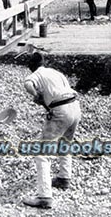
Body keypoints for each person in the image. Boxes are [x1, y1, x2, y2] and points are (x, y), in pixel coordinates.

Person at [23, 53, 81, 209]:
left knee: (42, 154)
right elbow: (65, 89)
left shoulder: (36, 74)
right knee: (65, 144)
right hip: (75, 106)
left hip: (61, 110)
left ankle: (44, 197)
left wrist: (37, 95)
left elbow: (27, 84)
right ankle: (64, 178)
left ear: (31, 67)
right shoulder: (56, 72)